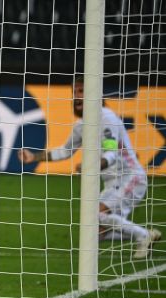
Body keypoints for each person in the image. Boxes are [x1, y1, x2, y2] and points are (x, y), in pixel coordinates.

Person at [18, 77, 161, 259]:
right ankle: (143, 235)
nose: (76, 97)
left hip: (130, 177)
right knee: (94, 233)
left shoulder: (107, 118)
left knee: (96, 214)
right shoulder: (81, 125)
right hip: (112, 183)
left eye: (81, 91)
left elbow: (111, 153)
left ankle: (143, 236)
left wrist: (90, 166)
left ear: (95, 95)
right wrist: (34, 157)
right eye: (74, 93)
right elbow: (65, 151)